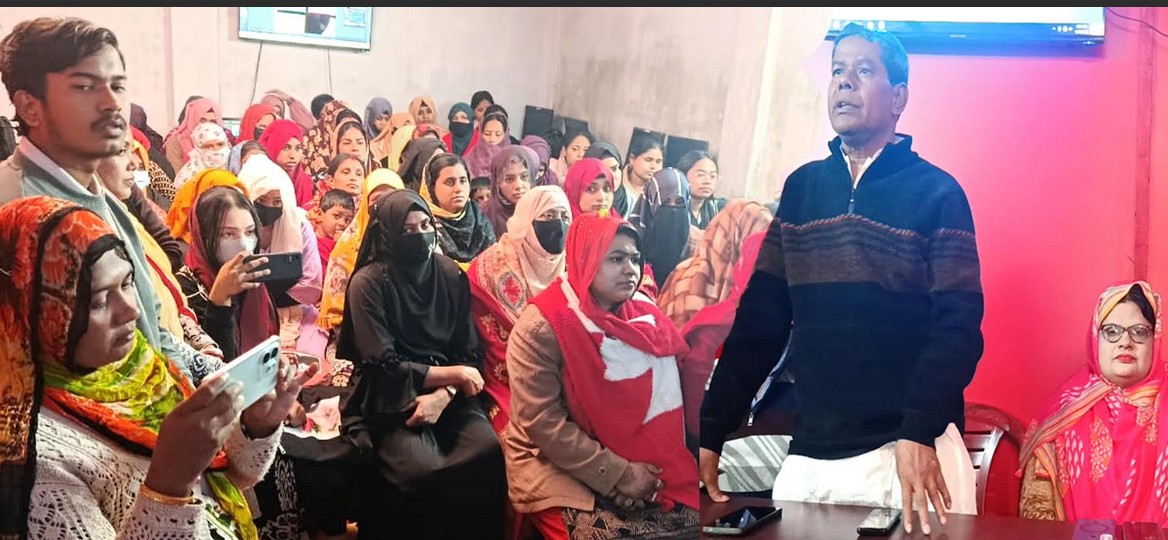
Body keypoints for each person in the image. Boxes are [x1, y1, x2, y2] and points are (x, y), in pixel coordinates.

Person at [699, 23, 984, 535]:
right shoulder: (802, 190)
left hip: (907, 454)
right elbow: (760, 323)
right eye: (837, 71)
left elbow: (958, 331)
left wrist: (918, 431)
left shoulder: (939, 194)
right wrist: (714, 425)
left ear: (898, 98)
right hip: (812, 457)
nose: (844, 82)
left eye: (863, 70)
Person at [0, 195, 314, 539]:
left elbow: (228, 478)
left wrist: (256, 426)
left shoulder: (137, 368)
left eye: (127, 283)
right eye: (99, 300)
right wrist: (168, 485)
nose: (131, 311)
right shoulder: (33, 460)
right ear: (34, 310)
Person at [0, 16, 221, 384]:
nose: (112, 103)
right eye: (85, 87)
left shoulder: (107, 198)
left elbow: (151, 330)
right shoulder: (15, 209)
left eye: (118, 85)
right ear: (29, 106)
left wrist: (216, 380)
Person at [503, 210, 700, 539]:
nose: (630, 269)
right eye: (616, 259)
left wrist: (635, 470)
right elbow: (542, 423)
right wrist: (619, 474)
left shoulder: (644, 314)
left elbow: (667, 398)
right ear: (586, 259)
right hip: (556, 460)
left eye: (635, 259)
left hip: (640, 455)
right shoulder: (543, 325)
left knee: (703, 525)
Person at [337, 189, 505, 539]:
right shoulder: (368, 284)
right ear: (387, 234)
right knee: (421, 470)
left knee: (487, 452)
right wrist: (454, 375)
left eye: (426, 225)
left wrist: (444, 394)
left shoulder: (449, 274)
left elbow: (468, 349)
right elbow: (383, 365)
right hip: (389, 395)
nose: (420, 236)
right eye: (408, 230)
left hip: (450, 393)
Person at [1018, 282, 1166, 524]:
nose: (1125, 342)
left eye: (1139, 332)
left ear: (1155, 338)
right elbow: (1037, 506)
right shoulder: (1065, 409)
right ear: (1096, 338)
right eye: (1112, 331)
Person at [468, 186, 571, 433]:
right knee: (526, 435)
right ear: (527, 219)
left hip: (570, 373)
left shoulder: (575, 263)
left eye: (564, 216)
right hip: (512, 377)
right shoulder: (490, 270)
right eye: (548, 216)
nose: (558, 224)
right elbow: (495, 345)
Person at [176, 185, 279, 361]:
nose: (244, 245)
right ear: (204, 236)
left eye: (250, 232)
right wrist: (219, 300)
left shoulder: (254, 283)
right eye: (228, 234)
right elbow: (217, 366)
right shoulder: (185, 290)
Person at [657, 199, 773, 329]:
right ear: (732, 237)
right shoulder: (687, 280)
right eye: (753, 238)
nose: (760, 249)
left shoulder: (754, 284)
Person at [418, 153, 497, 268]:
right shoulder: (423, 224)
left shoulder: (479, 219)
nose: (459, 189)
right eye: (449, 182)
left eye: (463, 181)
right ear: (431, 187)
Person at [482, 145, 537, 236]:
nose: (518, 186)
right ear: (498, 183)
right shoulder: (483, 215)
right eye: (509, 179)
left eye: (524, 177)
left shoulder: (541, 210)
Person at [314, 187, 356, 274]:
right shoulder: (311, 243)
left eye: (348, 220)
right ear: (320, 214)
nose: (342, 223)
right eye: (336, 216)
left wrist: (343, 245)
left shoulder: (348, 243)